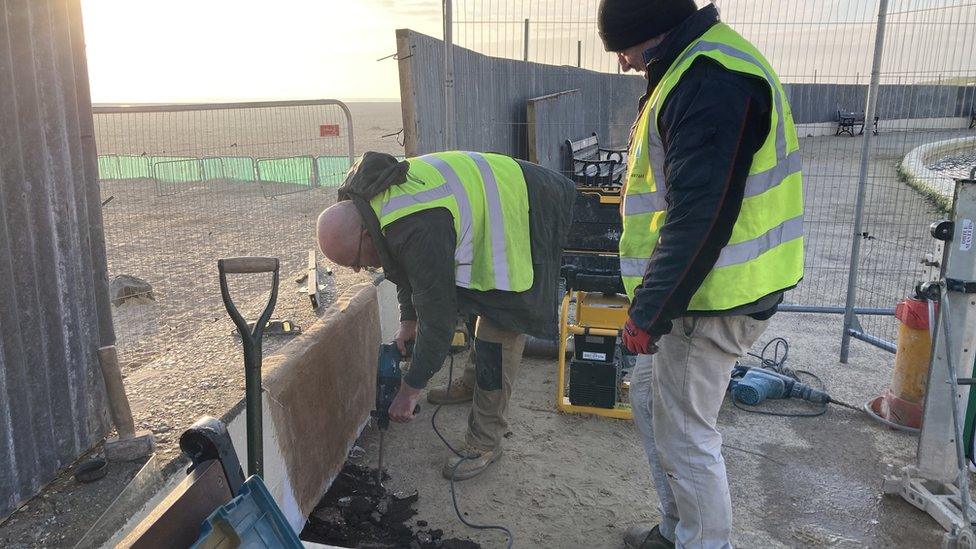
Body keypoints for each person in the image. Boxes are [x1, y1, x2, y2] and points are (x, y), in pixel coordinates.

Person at [597, 1, 805, 547]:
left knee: (686, 434)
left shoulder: (711, 79)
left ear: (652, 32)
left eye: (623, 48)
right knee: (648, 402)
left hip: (709, 300)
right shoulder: (688, 69)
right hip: (692, 294)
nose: (621, 62)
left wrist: (650, 311)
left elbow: (700, 218)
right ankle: (676, 530)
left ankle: (703, 541)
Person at [317, 150, 575, 480]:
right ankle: (472, 384)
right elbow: (401, 263)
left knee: (500, 325)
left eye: (354, 261)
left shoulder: (417, 226)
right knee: (476, 299)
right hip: (492, 207)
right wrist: (408, 320)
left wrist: (410, 390)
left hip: (527, 205)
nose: (357, 268)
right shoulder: (367, 200)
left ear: (365, 234)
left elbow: (438, 322)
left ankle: (485, 442)